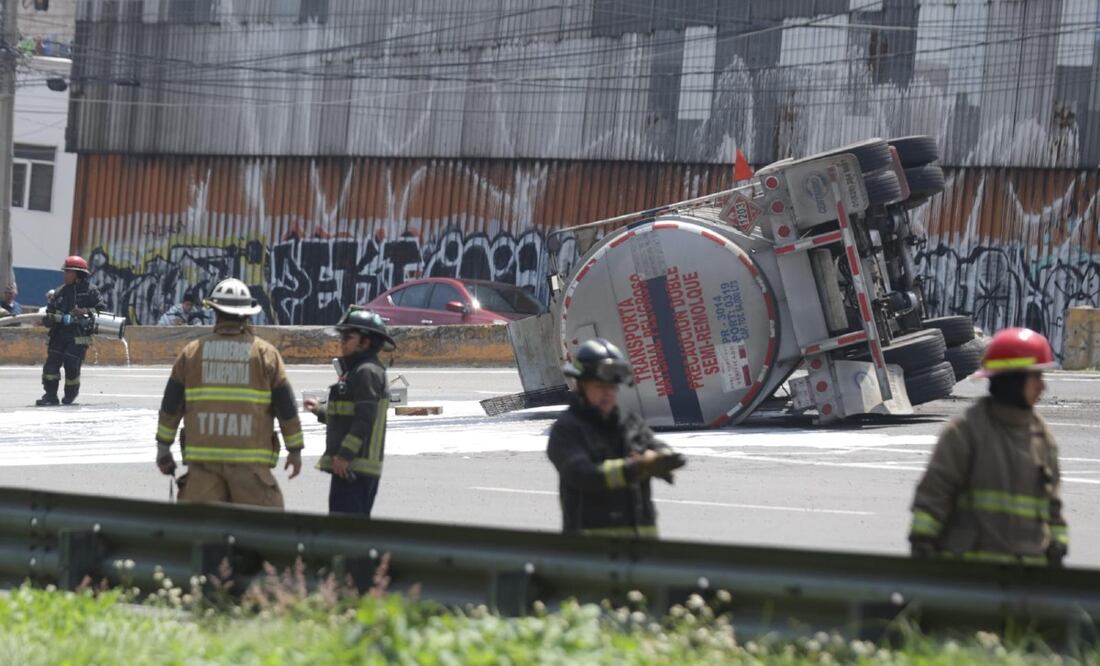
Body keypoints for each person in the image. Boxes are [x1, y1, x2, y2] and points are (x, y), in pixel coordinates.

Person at [909, 327, 1069, 566]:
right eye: (1036, 377)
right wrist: (923, 545)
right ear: (1013, 380)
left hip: (1027, 582)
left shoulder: (1041, 437)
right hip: (971, 582)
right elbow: (934, 496)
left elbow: (1052, 506)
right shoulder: (965, 432)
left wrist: (1057, 544)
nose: (1042, 388)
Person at [154, 277, 304, 508]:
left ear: (215, 311)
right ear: (246, 314)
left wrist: (164, 449)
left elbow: (170, 406)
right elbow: (286, 408)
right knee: (260, 537)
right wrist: (295, 450)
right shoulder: (266, 354)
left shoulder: (192, 353)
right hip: (252, 474)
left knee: (202, 537)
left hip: (202, 473)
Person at [547, 338, 686, 538]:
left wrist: (662, 458)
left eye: (612, 387)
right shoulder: (567, 430)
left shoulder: (629, 423)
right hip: (591, 554)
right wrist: (637, 467)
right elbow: (582, 474)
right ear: (580, 386)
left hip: (642, 550)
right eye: (599, 386)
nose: (608, 393)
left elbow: (661, 448)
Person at [304, 307, 394, 517]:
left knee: (347, 534)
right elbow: (347, 418)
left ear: (365, 342)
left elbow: (365, 419)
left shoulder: (367, 372)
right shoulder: (357, 371)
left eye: (348, 337)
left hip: (355, 468)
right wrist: (319, 410)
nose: (342, 341)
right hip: (350, 467)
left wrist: (344, 455)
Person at [36, 256, 106, 406]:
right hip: (59, 335)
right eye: (65, 272)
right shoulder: (60, 291)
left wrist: (84, 311)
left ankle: (70, 395)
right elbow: (50, 312)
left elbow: (101, 311)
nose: (65, 275)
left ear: (78, 274)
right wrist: (48, 319)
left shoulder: (91, 291)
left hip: (79, 337)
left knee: (71, 365)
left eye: (68, 272)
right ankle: (50, 395)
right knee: (50, 367)